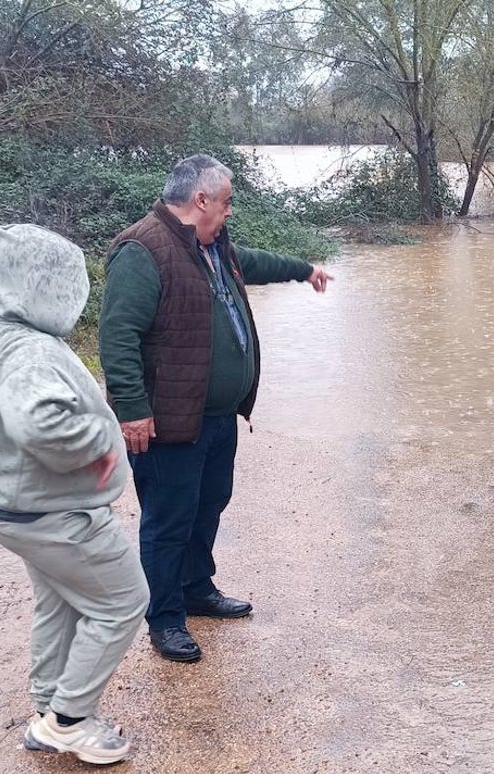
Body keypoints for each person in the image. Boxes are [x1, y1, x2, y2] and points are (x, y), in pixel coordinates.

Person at [99, 154, 333, 663]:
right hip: (169, 422)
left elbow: (257, 263)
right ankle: (165, 619)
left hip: (216, 417)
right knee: (168, 519)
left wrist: (304, 270)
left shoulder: (214, 247)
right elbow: (118, 336)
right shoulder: (143, 249)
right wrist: (133, 410)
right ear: (200, 200)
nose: (229, 213)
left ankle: (196, 588)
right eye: (226, 203)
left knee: (209, 504)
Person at [0, 224, 149, 764]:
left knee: (63, 603)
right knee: (123, 602)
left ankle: (49, 706)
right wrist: (100, 445)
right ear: (41, 287)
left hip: (18, 507)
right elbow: (40, 424)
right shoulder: (30, 353)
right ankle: (69, 721)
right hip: (54, 513)